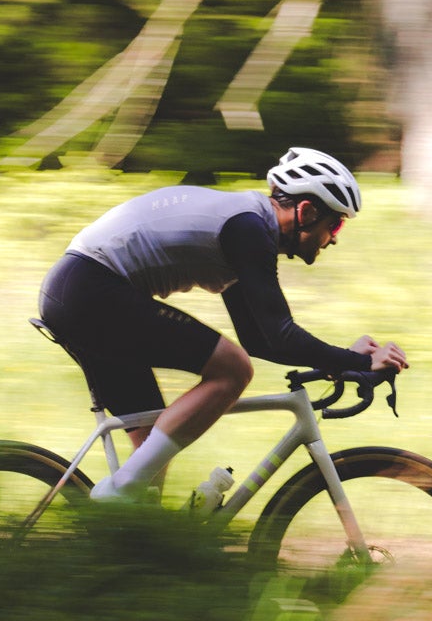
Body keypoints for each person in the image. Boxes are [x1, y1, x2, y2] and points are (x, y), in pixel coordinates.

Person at [37, 147, 408, 503]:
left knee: (151, 457)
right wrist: (354, 362)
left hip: (82, 292)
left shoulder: (245, 227)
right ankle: (120, 491)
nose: (336, 238)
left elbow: (260, 340)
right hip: (90, 291)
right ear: (307, 211)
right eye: (336, 223)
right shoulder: (248, 230)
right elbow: (277, 332)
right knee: (232, 369)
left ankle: (123, 545)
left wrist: (340, 360)